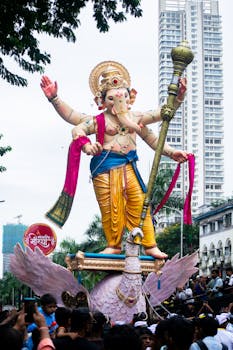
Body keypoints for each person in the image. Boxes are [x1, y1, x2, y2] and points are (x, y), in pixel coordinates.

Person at [40, 61, 188, 259]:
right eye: (112, 98)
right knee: (110, 207)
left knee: (140, 203)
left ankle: (149, 244)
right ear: (101, 101)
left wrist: (178, 99)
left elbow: (157, 128)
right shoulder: (99, 120)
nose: (118, 102)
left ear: (130, 97)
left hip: (128, 166)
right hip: (104, 168)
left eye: (123, 96)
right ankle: (114, 244)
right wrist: (56, 100)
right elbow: (75, 123)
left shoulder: (136, 118)